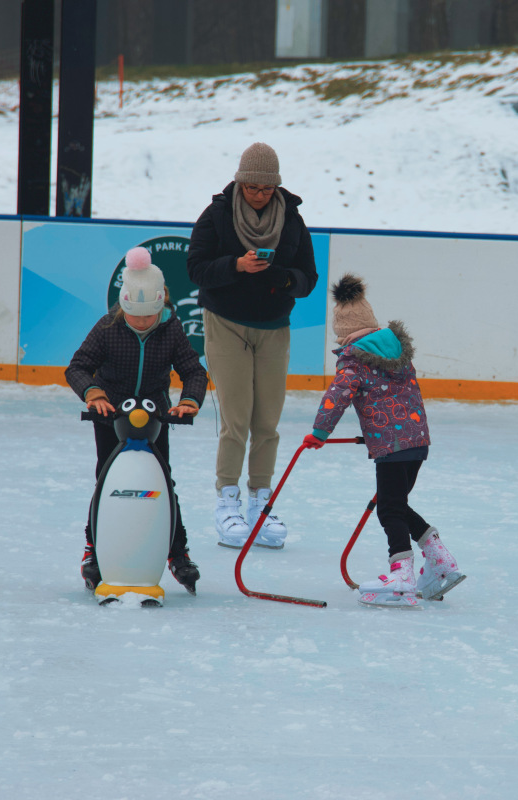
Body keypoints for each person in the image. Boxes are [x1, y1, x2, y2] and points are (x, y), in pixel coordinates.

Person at [302, 274, 466, 606]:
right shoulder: (398, 353)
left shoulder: (353, 360)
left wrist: (319, 433)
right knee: (397, 504)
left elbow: (338, 396)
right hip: (417, 442)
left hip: (391, 447)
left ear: (344, 335)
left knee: (389, 509)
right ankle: (440, 559)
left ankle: (401, 574)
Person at [186, 142, 318, 549]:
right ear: (240, 182)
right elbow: (195, 269)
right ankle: (227, 500)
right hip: (226, 324)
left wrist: (281, 277)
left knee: (267, 422)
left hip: (274, 326)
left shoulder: (292, 219)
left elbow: (308, 278)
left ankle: (262, 502)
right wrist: (237, 266)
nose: (260, 195)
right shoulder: (216, 215)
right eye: (252, 187)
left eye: (267, 188)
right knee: (236, 418)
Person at [65, 246, 209, 594]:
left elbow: (193, 371)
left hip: (154, 418)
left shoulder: (171, 329)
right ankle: (94, 550)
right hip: (110, 417)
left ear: (161, 304)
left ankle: (177, 553)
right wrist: (93, 394)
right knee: (105, 481)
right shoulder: (107, 328)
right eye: (135, 316)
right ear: (124, 306)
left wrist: (188, 401)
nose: (142, 322)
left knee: (163, 483)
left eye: (149, 316)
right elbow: (78, 367)